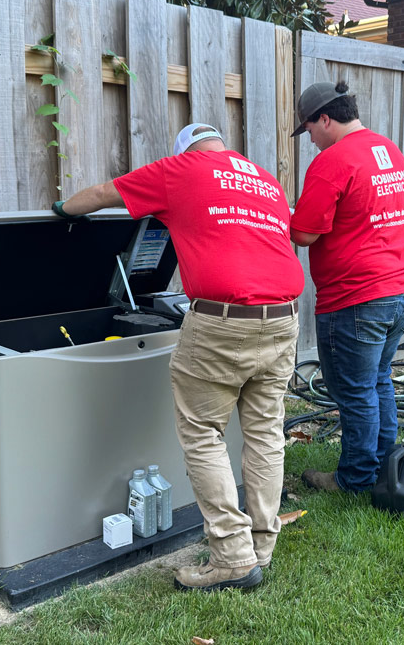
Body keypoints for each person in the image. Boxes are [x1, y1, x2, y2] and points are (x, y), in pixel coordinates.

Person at [52, 123, 303, 591]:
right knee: (266, 434)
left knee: (203, 434)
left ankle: (232, 556)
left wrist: (62, 210)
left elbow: (105, 193)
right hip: (283, 317)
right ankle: (262, 546)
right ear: (221, 145)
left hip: (222, 322)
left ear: (183, 149)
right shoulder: (262, 179)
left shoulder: (181, 169)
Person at [290, 81, 404, 494]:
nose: (309, 139)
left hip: (357, 298)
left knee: (356, 391)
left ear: (325, 118)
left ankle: (355, 480)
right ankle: (384, 466)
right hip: (403, 291)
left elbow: (305, 234)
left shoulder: (333, 161)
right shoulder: (390, 152)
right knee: (378, 380)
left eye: (309, 129)